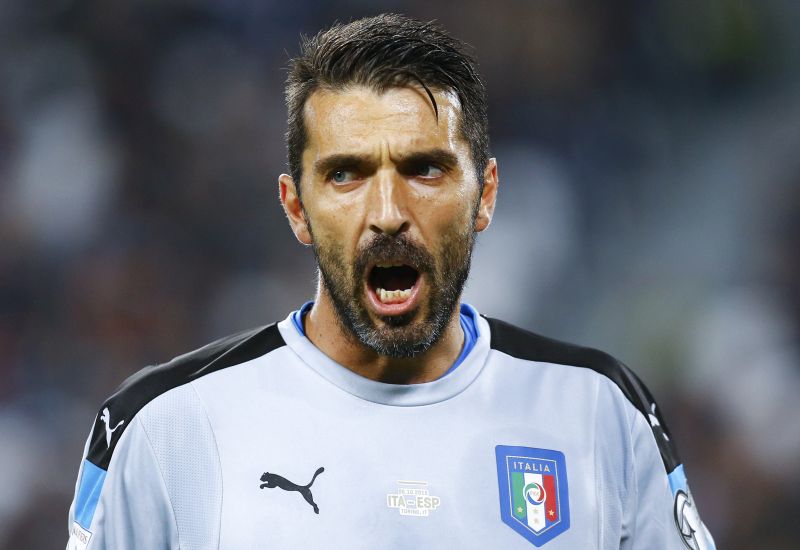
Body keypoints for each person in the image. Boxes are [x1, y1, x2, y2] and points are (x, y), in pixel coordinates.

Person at [66, 13, 714, 549]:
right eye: (346, 174)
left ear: (484, 195)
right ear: (296, 209)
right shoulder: (162, 427)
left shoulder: (600, 412)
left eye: (424, 169)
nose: (386, 215)